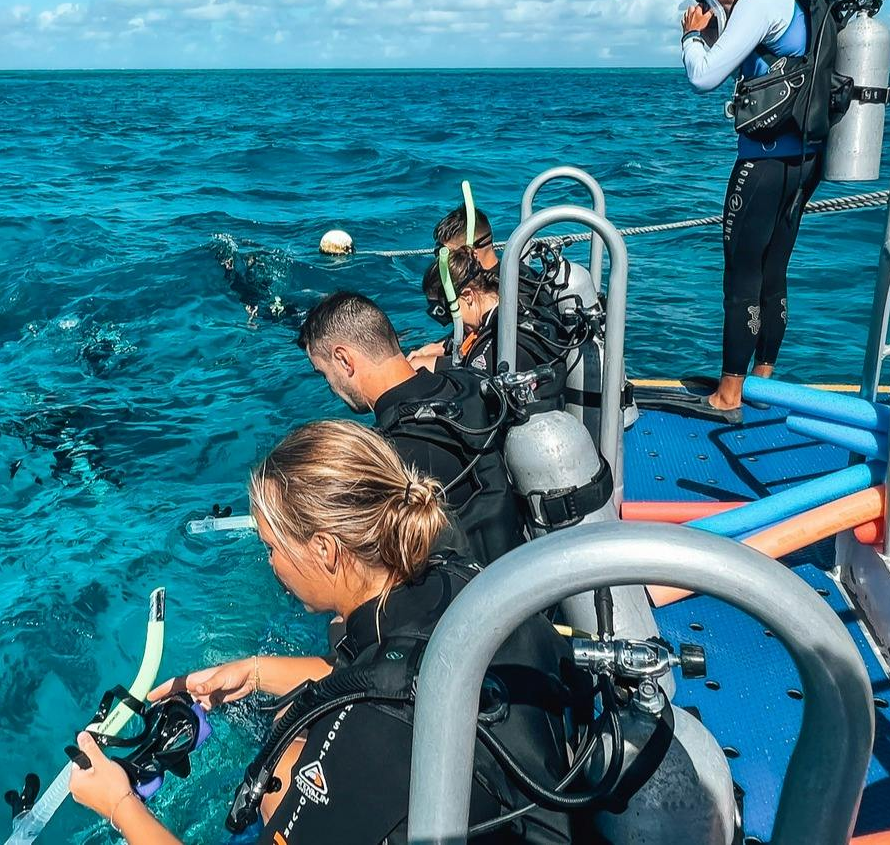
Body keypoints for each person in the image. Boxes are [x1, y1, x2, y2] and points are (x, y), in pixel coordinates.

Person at [69, 420, 576, 844]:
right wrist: (254, 671)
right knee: (289, 743)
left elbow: (378, 707)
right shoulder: (449, 576)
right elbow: (383, 672)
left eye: (272, 548)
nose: (271, 565)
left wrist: (118, 804)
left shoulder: (372, 733)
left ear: (326, 550)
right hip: (541, 803)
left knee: (280, 770)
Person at [679, 0, 828, 419]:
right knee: (773, 271)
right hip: (802, 159)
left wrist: (691, 38)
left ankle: (729, 394)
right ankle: (760, 382)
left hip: (762, 163)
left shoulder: (756, 3)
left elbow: (704, 77)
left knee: (741, 276)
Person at [296, 290, 525, 565]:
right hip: (519, 566)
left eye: (324, 374)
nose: (330, 388)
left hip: (465, 598)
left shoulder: (383, 459)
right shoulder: (469, 385)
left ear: (344, 360)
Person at [420, 246, 566, 378]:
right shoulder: (502, 304)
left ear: (468, 296)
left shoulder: (500, 336)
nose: (449, 322)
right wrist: (443, 347)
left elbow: (474, 383)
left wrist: (427, 366)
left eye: (448, 312)